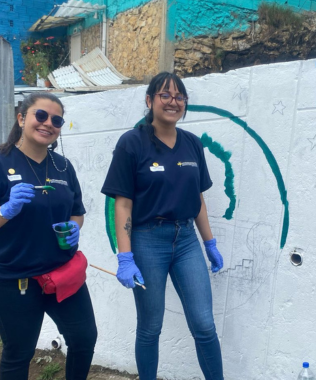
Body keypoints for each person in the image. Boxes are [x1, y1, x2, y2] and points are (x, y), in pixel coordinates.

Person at [0, 92, 97, 380]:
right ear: (22, 118)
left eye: (57, 120)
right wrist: (6, 210)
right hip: (13, 279)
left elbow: (77, 212)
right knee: (19, 351)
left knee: (84, 339)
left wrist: (75, 226)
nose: (48, 123)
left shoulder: (63, 166)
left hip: (60, 273)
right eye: (41, 115)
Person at [101, 72, 224, 380]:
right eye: (165, 95)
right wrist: (124, 256)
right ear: (149, 101)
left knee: (205, 325)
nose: (173, 102)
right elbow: (123, 203)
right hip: (147, 242)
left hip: (186, 242)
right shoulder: (132, 143)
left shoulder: (193, 144)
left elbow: (197, 199)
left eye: (179, 96)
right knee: (150, 327)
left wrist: (209, 243)